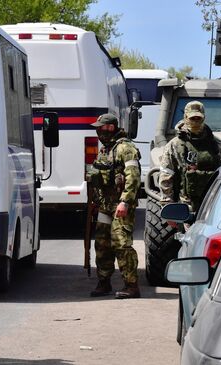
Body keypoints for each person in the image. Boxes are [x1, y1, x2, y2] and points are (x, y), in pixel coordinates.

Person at [86, 113, 141, 299]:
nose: (99, 131)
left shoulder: (125, 148)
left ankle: (131, 285)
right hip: (105, 205)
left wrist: (125, 201)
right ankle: (103, 283)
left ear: (110, 128)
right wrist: (96, 201)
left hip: (121, 205)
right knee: (101, 244)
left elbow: (133, 176)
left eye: (102, 127)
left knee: (121, 244)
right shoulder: (105, 150)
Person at [159, 101, 221, 224]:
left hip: (212, 206)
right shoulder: (175, 145)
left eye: (198, 118)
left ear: (204, 118)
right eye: (192, 118)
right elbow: (166, 177)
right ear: (185, 118)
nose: (195, 121)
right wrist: (167, 207)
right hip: (186, 208)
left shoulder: (216, 145)